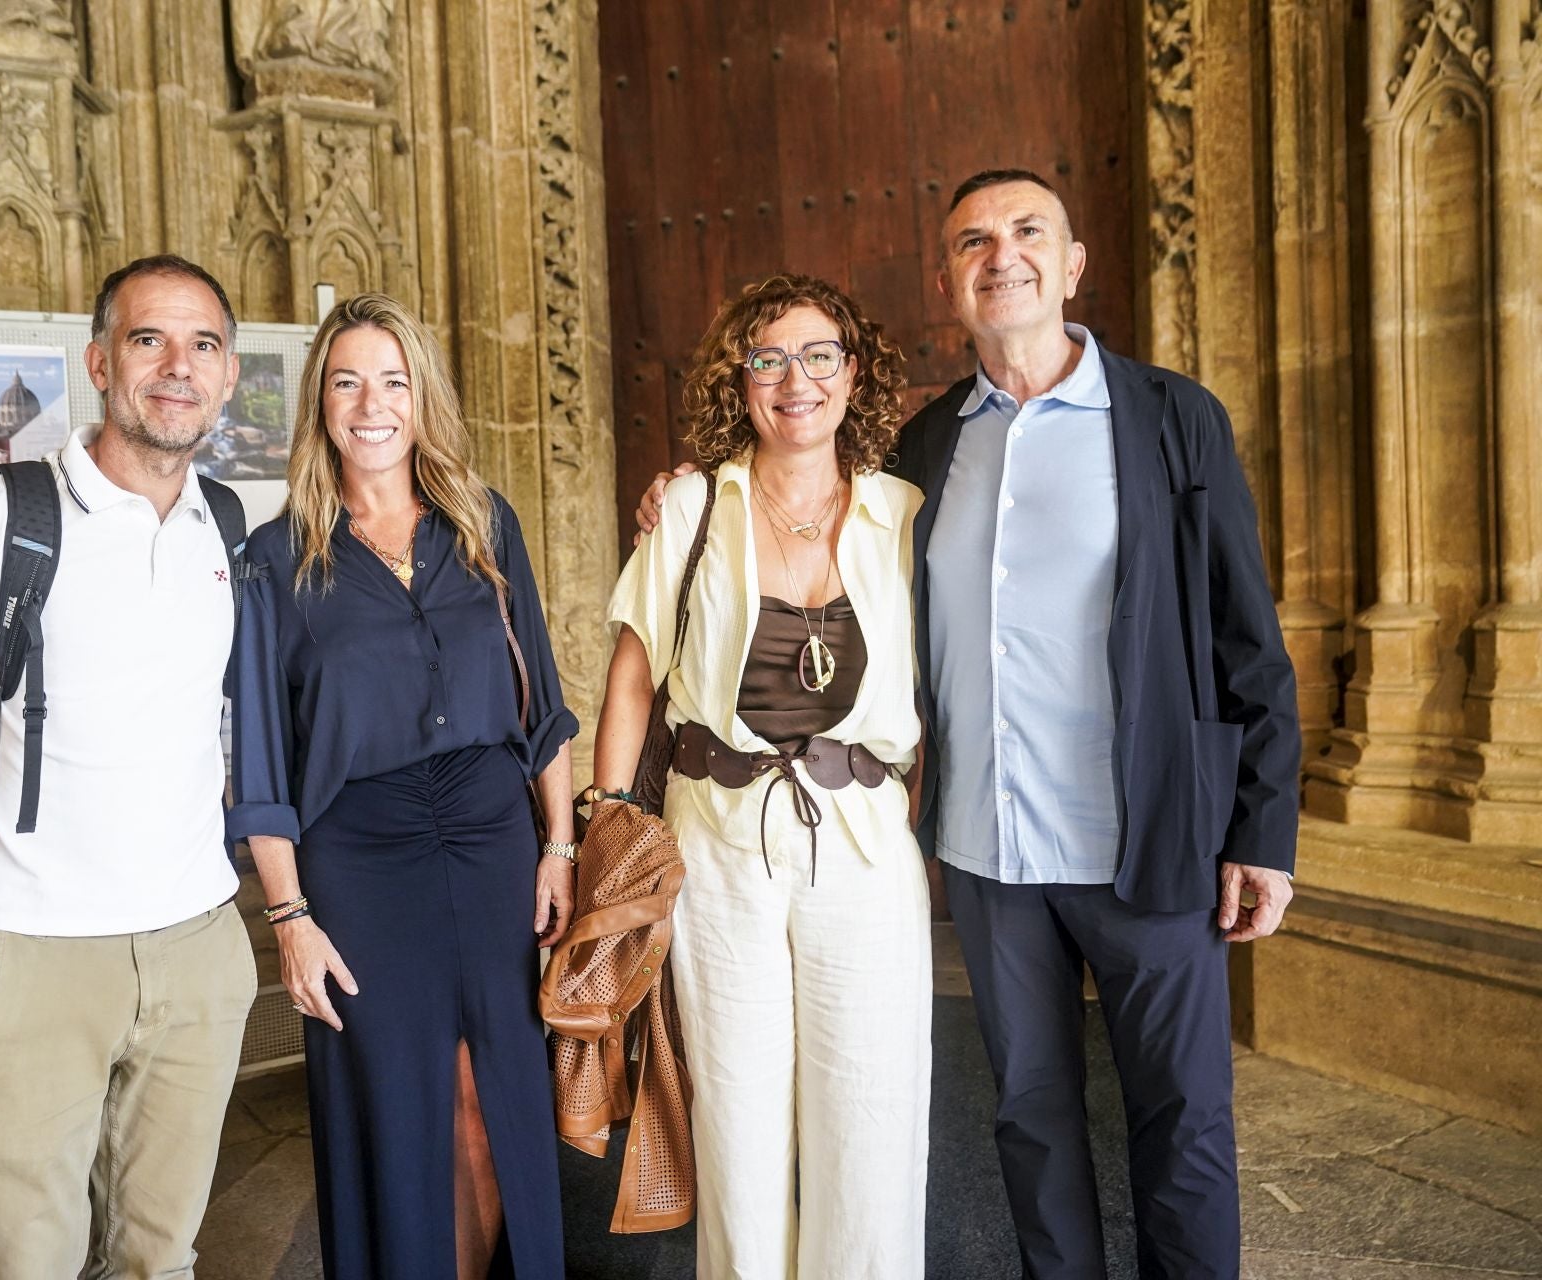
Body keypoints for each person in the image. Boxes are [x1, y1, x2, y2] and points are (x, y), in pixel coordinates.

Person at [638, 171, 1302, 1279]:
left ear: (1072, 261)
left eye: (1028, 230)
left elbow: (1250, 637)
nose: (1004, 254)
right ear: (948, 279)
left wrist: (1263, 831)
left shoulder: (1172, 418)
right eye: (974, 240)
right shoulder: (925, 447)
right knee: (1033, 1124)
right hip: (990, 853)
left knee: (1181, 1123)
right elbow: (808, 504)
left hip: (1152, 839)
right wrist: (687, 488)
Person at [0, 254, 257, 1277]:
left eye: (204, 345)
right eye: (150, 340)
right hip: (31, 954)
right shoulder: (1, 519)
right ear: (100, 359)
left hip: (195, 946)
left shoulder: (228, 526)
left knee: (162, 1259)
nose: (179, 367)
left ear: (229, 375)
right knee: (26, 1263)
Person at [226, 292, 579, 1280]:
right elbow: (259, 758)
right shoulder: (275, 557)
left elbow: (543, 704)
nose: (371, 402)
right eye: (348, 381)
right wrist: (290, 916)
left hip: (491, 835)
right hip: (359, 863)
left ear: (421, 398)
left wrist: (559, 844)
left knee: (495, 1093)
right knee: (399, 1105)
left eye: (393, 380)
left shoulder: (482, 523)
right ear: (320, 402)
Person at [597, 273, 931, 1278]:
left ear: (854, 370)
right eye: (769, 358)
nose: (796, 379)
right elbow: (629, 681)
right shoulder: (694, 503)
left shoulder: (905, 512)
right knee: (737, 1115)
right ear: (739, 382)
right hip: (719, 842)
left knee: (869, 1111)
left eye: (818, 354)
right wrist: (605, 827)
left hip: (864, 845)